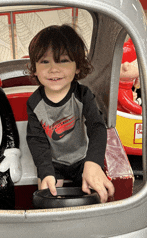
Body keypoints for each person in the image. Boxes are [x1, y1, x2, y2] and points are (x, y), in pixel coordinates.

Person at [26, 24, 114, 203]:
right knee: (46, 198)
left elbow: (97, 128)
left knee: (96, 195)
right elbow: (36, 140)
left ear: (78, 67)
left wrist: (93, 162)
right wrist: (46, 172)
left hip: (82, 159)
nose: (53, 69)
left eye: (63, 60)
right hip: (53, 163)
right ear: (34, 68)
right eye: (45, 61)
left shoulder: (83, 95)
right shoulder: (34, 103)